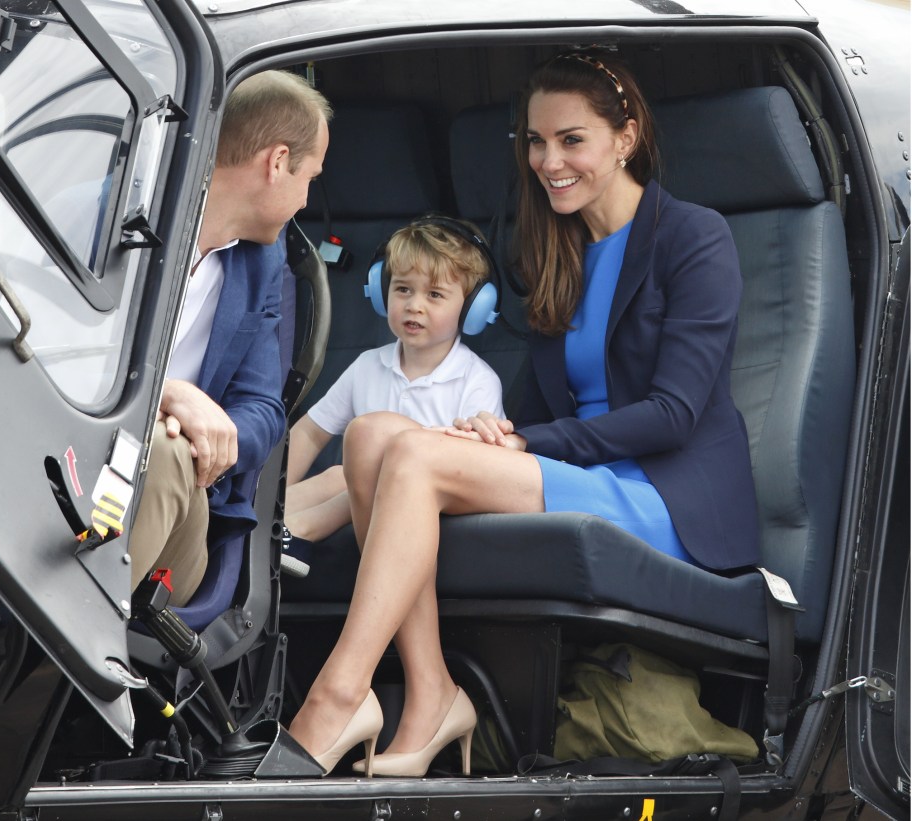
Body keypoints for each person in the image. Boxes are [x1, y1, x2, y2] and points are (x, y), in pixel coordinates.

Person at [286, 51, 759, 778]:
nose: (548, 160)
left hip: (663, 496)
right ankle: (431, 691)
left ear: (624, 135)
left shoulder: (694, 237)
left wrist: (521, 441)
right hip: (574, 471)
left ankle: (338, 694)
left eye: (571, 139)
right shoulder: (556, 251)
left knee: (410, 453)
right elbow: (534, 410)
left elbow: (672, 414)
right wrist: (495, 432)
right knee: (375, 432)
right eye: (535, 142)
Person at [127, 70, 332, 606]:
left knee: (168, 452)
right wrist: (168, 394)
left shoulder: (263, 263)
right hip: (65, 455)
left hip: (180, 497)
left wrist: (211, 435)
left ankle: (54, 651)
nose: (306, 201)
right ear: (277, 162)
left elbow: (264, 409)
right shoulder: (118, 218)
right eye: (309, 177)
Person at [281, 217, 505, 577]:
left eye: (434, 294)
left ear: (473, 308)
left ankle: (299, 531)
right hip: (367, 502)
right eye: (403, 289)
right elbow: (309, 433)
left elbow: (477, 471)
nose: (415, 305)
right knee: (339, 474)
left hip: (431, 508)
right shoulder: (367, 366)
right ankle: (263, 526)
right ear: (381, 291)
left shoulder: (477, 381)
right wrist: (266, 490)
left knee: (362, 472)